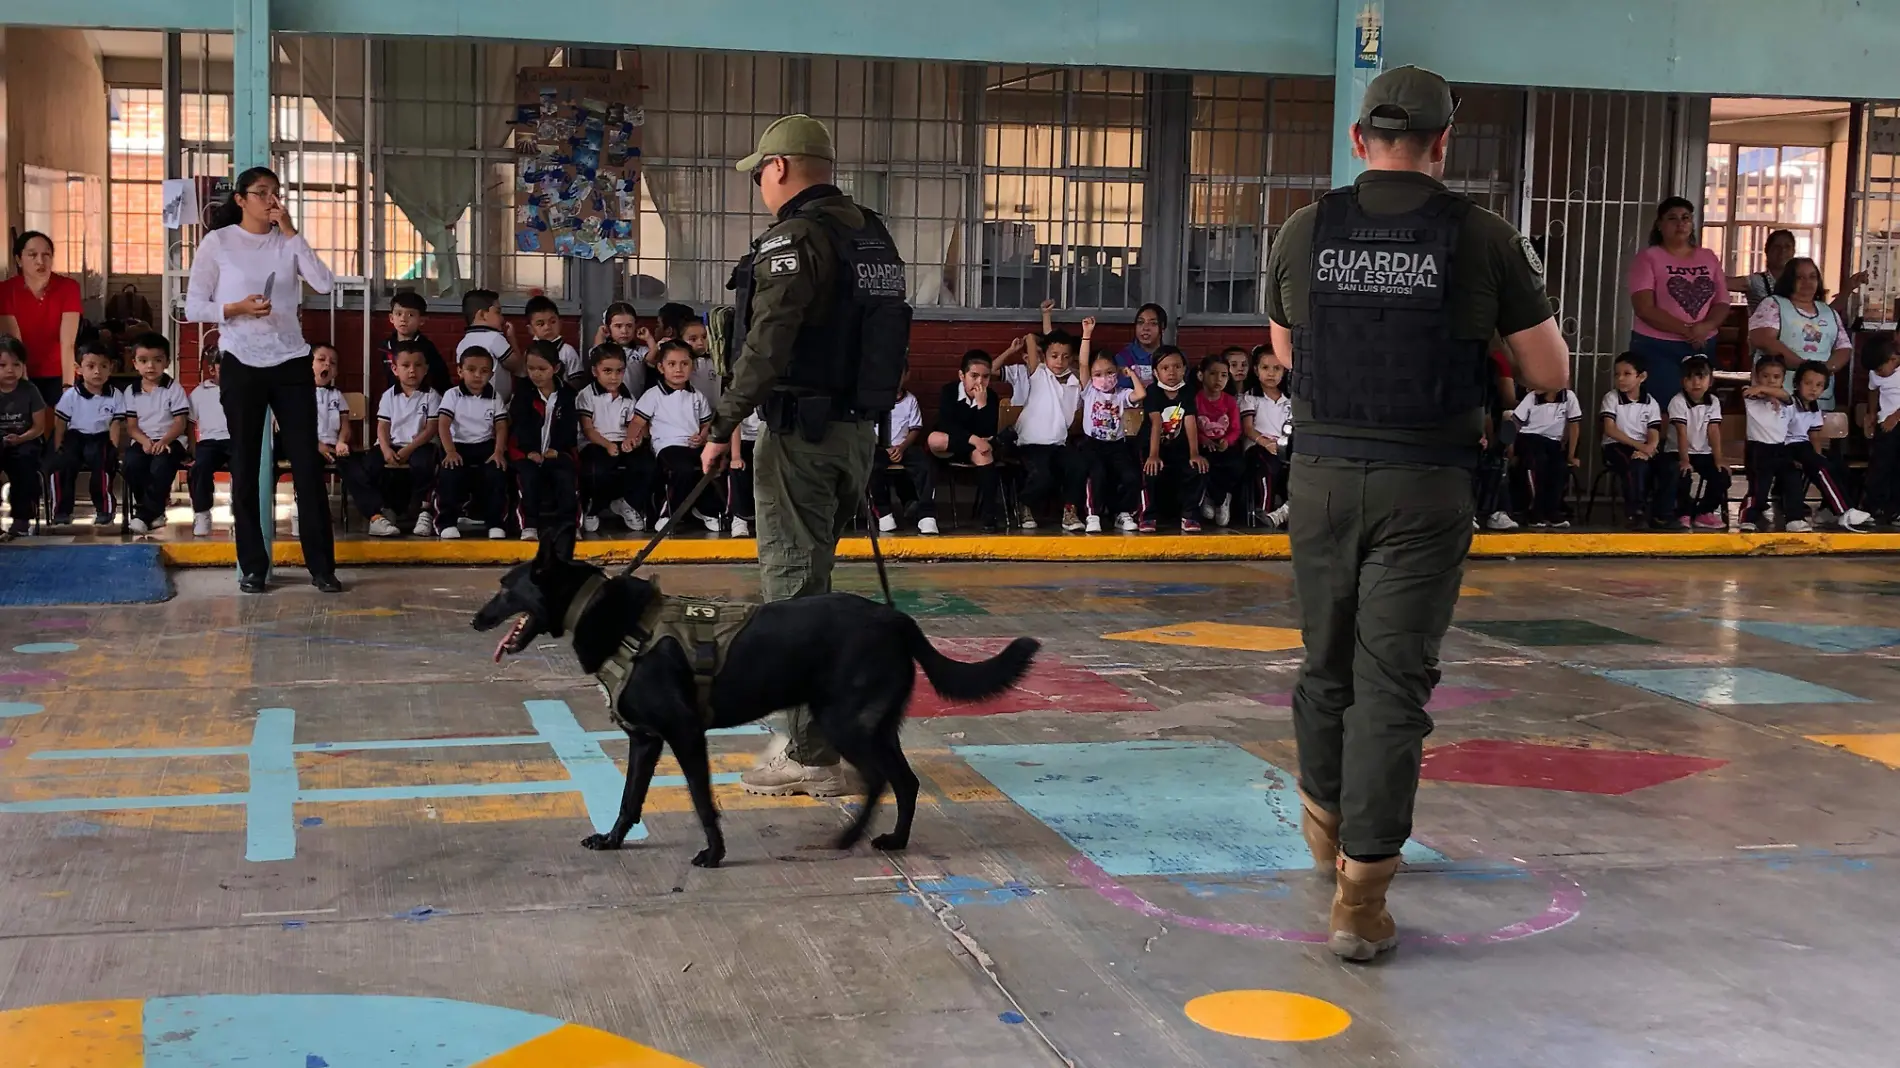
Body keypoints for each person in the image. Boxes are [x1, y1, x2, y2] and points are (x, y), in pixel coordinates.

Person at [1264, 64, 1570, 962]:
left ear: (1359, 141)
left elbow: (1284, 347)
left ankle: (1326, 822)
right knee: (1391, 682)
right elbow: (1549, 373)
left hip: (1318, 476)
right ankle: (1362, 896)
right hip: (1425, 483)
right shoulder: (1482, 237)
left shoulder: (1306, 228)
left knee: (1326, 661)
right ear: (1444, 144)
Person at [699, 114, 910, 798]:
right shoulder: (870, 233)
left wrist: (722, 421)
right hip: (856, 435)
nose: (759, 183)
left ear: (781, 168)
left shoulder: (794, 237)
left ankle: (808, 751)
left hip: (803, 437)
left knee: (792, 594)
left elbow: (768, 342)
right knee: (816, 585)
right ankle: (831, 729)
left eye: (759, 171)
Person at [182, 165, 340, 593]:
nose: (270, 200)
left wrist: (291, 233)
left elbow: (324, 284)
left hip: (290, 361)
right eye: (261, 192)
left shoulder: (287, 241)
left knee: (306, 464)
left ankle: (322, 567)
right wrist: (234, 309)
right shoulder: (219, 243)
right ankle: (253, 565)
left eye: (275, 192)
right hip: (241, 360)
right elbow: (193, 306)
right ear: (240, 199)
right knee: (246, 463)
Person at [1627, 197, 1727, 412]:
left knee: (1699, 411)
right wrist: (1687, 330)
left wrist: (1704, 327)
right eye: (1672, 218)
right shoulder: (1648, 257)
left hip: (1702, 345)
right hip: (1657, 346)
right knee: (1661, 409)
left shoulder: (1708, 257)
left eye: (1686, 218)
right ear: (1660, 225)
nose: (1680, 223)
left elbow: (1722, 302)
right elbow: (1644, 308)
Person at [345, 340, 441, 537]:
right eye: (406, 366)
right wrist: (386, 448)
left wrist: (409, 449)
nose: (412, 371)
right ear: (395, 369)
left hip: (419, 445)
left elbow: (431, 429)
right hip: (390, 443)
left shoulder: (432, 396)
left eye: (418, 365)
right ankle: (380, 512)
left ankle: (423, 511)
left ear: (426, 369)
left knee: (425, 463)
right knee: (368, 465)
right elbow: (383, 426)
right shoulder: (389, 395)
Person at [996, 330, 1082, 531]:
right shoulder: (1039, 373)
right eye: (1054, 356)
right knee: (1042, 475)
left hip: (1058, 444)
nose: (1059, 361)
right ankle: (1024, 504)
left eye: (1065, 356)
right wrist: (1032, 338)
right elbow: (1031, 340)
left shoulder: (1074, 382)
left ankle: (1070, 512)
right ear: (1044, 356)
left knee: (1077, 466)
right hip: (1030, 443)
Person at [633, 339, 719, 532]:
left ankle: (704, 509)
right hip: (667, 446)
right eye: (672, 364)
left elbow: (707, 423)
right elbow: (638, 421)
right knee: (683, 470)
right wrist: (632, 438)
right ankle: (668, 514)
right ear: (661, 368)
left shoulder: (697, 396)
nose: (678, 369)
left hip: (693, 445)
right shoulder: (653, 394)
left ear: (692, 366)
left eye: (684, 364)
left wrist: (704, 436)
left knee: (713, 466)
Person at [1749, 257, 1853, 411]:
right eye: (1800, 277)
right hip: (1778, 396)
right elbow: (1763, 339)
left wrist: (1825, 370)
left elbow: (1844, 347)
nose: (1807, 282)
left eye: (1812, 277)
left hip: (1818, 398)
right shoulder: (1773, 304)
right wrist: (1804, 367)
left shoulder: (1828, 312)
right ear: (1789, 280)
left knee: (1817, 433)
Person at [1779, 361, 1871, 532]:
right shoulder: (1789, 403)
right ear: (1797, 384)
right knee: (1820, 467)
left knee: (1837, 465)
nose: (1813, 389)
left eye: (1819, 385)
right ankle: (1845, 511)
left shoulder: (1814, 408)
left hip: (1804, 446)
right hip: (1787, 447)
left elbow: (1814, 437)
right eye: (1808, 383)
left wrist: (1817, 457)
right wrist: (1815, 461)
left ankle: (1827, 510)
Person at [1071, 319, 1144, 533]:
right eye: (1098, 374)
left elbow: (1140, 394)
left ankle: (1122, 513)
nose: (1104, 378)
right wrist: (1087, 334)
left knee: (1130, 476)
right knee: (1097, 475)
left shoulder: (1121, 395)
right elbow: (1083, 363)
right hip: (1093, 444)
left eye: (1110, 372)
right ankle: (1093, 515)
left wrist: (1130, 375)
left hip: (1117, 445)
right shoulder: (1090, 391)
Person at [118, 332, 191, 535]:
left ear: (167, 362)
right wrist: (145, 442)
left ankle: (143, 516)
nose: (150, 366)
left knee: (161, 464)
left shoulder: (173, 389)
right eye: (143, 361)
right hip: (143, 440)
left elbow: (180, 423)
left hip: (171, 440)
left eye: (157, 360)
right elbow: (131, 426)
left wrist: (164, 441)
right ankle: (154, 511)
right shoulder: (130, 391)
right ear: (135, 363)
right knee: (132, 464)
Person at [434, 348, 510, 540]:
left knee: (497, 473)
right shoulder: (452, 395)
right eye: (471, 369)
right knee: (450, 475)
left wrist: (499, 451)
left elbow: (501, 427)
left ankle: (495, 522)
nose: (478, 375)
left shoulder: (495, 397)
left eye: (484, 371)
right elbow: (443, 424)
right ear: (460, 371)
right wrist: (449, 451)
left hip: (485, 446)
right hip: (457, 445)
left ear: (491, 374)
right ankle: (446, 522)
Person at [0, 231, 83, 406]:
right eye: (32, 255)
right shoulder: (6, 291)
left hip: (59, 371)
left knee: (61, 425)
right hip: (21, 370)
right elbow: (15, 345)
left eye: (46, 254)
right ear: (19, 260)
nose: (40, 261)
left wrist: (68, 388)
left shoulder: (68, 288)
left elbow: (67, 343)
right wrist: (23, 386)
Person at [510, 342, 580, 540]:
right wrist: (529, 451)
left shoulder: (567, 395)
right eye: (531, 368)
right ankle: (529, 525)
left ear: (555, 368)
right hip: (526, 452)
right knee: (528, 477)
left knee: (566, 477)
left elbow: (569, 427)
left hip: (557, 451)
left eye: (542, 369)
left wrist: (556, 450)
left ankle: (569, 525)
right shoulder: (523, 393)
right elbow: (519, 424)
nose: (536, 374)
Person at [49, 348, 126, 526]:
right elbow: (60, 422)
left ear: (110, 369)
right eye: (91, 366)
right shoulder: (70, 395)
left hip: (101, 437)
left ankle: (104, 510)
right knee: (62, 466)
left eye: (103, 366)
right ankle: (61, 511)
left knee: (103, 464)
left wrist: (114, 447)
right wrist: (57, 446)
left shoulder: (115, 395)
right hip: (75, 437)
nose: (97, 371)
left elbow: (115, 424)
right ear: (78, 369)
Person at [931, 351, 1006, 531]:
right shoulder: (949, 392)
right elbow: (945, 424)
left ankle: (989, 515)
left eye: (985, 377)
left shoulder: (991, 397)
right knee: (934, 438)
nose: (980, 382)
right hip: (954, 444)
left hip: (977, 447)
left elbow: (987, 432)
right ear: (961, 376)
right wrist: (972, 439)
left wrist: (982, 406)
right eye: (974, 376)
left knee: (984, 455)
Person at [577, 343, 646, 533]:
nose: (614, 377)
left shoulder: (628, 396)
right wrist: (607, 445)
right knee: (598, 471)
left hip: (621, 442)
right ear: (595, 371)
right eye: (607, 371)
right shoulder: (586, 395)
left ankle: (626, 503)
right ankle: (594, 508)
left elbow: (636, 426)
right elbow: (588, 428)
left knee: (645, 466)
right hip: (595, 443)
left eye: (619, 371)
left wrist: (634, 440)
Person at [1138, 347, 1203, 533]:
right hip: (1152, 445)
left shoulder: (1188, 391)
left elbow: (1190, 421)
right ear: (1156, 372)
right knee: (1148, 470)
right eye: (1165, 368)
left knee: (1197, 467)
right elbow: (1157, 423)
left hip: (1178, 447)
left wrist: (1194, 453)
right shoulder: (1153, 391)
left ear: (1184, 369)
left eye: (1177, 367)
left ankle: (1189, 515)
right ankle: (1147, 515)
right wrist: (1153, 455)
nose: (1171, 372)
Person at [868, 370, 938, 535]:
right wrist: (884, 447)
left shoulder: (910, 400)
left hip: (903, 448)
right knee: (872, 464)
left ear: (906, 375)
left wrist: (902, 447)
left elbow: (915, 429)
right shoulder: (873, 400)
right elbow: (867, 428)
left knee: (925, 463)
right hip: (879, 447)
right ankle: (884, 512)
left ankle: (926, 515)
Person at [1664, 356, 1729, 530]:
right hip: (1677, 451)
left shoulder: (1713, 401)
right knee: (1683, 474)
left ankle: (1703, 512)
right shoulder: (1677, 402)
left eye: (1701, 377)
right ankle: (1683, 512)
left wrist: (1719, 459)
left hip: (1703, 452)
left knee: (1721, 475)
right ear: (1682, 381)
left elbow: (1713, 430)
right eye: (1690, 378)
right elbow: (1681, 433)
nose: (1696, 382)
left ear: (1711, 380)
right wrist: (1685, 460)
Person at [1599, 353, 1663, 527]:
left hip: (1642, 447)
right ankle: (1635, 512)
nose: (1620, 379)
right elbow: (1610, 429)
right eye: (1617, 374)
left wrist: (1650, 448)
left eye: (1627, 374)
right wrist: (1641, 447)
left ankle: (1663, 513)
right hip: (1616, 445)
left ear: (1641, 377)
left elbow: (1654, 431)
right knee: (1634, 465)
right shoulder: (1611, 398)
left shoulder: (1651, 403)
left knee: (1668, 467)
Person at [1507, 384, 1582, 528]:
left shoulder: (1569, 397)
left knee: (1559, 467)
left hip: (1553, 442)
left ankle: (1552, 511)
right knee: (1538, 463)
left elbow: (1574, 426)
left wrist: (1571, 455)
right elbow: (1515, 423)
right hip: (1529, 438)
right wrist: (1510, 449)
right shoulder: (1532, 396)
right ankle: (1535, 512)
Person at [0, 337, 48, 538]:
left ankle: (21, 520)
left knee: (25, 467)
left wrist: (20, 439)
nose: (10, 370)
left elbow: (39, 427)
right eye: (2, 365)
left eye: (16, 365)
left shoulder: (30, 391)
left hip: (26, 441)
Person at [1738, 355, 1792, 533]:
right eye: (1765, 376)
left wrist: (1771, 393)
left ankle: (1794, 517)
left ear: (1783, 379)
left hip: (1780, 448)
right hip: (1759, 448)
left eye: (1776, 377)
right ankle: (1747, 517)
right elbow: (1751, 393)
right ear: (1756, 376)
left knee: (1789, 482)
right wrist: (1764, 390)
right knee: (1758, 487)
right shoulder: (1750, 393)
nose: (1770, 380)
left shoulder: (1786, 399)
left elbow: (1786, 397)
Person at [1239, 347, 1289, 527]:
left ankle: (1285, 512)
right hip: (1257, 446)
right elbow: (1248, 429)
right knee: (1269, 466)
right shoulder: (1251, 397)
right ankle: (1264, 510)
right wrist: (1266, 443)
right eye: (1265, 368)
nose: (1271, 373)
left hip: (1283, 447)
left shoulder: (1289, 400)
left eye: (1277, 368)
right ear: (1256, 370)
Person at [1193, 355, 1243, 526]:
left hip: (1225, 445)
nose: (1218, 379)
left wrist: (1227, 441)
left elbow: (1236, 428)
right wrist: (1203, 439)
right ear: (1201, 376)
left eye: (1223, 375)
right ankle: (1210, 496)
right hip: (1202, 445)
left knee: (1235, 465)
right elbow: (1190, 426)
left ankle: (1221, 499)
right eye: (1213, 374)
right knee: (1206, 465)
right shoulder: (1195, 400)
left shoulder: (1229, 401)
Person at [187, 351, 231, 537]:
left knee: (245, 468)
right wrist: (192, 448)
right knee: (200, 468)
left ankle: (242, 515)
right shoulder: (200, 392)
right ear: (213, 370)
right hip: (209, 442)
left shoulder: (242, 390)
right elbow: (189, 422)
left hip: (236, 440)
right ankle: (202, 513)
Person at [1858, 335, 1900, 525]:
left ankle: (1895, 509)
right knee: (1880, 467)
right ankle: (1873, 508)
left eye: (1880, 369)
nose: (1878, 373)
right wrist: (1871, 414)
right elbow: (1873, 390)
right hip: (1885, 425)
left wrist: (1896, 417)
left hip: (1896, 421)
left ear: (1893, 359)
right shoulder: (1876, 373)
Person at [382, 289, 451, 395]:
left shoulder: (427, 348)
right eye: (399, 314)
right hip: (393, 400)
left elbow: (441, 380)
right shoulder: (385, 346)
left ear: (421, 320)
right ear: (391, 318)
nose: (403, 319)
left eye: (410, 315)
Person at [458, 289, 521, 404]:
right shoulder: (495, 338)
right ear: (482, 314)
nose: (502, 318)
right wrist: (512, 338)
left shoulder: (462, 343)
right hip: (495, 405)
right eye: (498, 312)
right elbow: (516, 366)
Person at [525, 294, 584, 382]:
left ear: (560, 323)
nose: (547, 327)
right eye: (540, 324)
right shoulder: (529, 352)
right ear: (530, 329)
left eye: (552, 322)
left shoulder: (567, 351)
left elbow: (577, 380)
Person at [724, 408, 762, 539]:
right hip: (744, 440)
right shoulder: (744, 391)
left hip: (770, 439)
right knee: (738, 468)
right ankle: (739, 518)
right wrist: (736, 456)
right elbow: (735, 424)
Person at [593, 302, 645, 394]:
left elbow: (653, 357)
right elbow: (597, 354)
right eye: (618, 326)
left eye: (629, 326)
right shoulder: (606, 351)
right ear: (608, 328)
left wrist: (648, 338)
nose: (624, 331)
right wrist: (600, 335)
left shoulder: (639, 351)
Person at [1116, 303, 1167, 388]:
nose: (1145, 328)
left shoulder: (1173, 357)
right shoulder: (1123, 357)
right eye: (1140, 322)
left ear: (1163, 328)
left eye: (1153, 323)